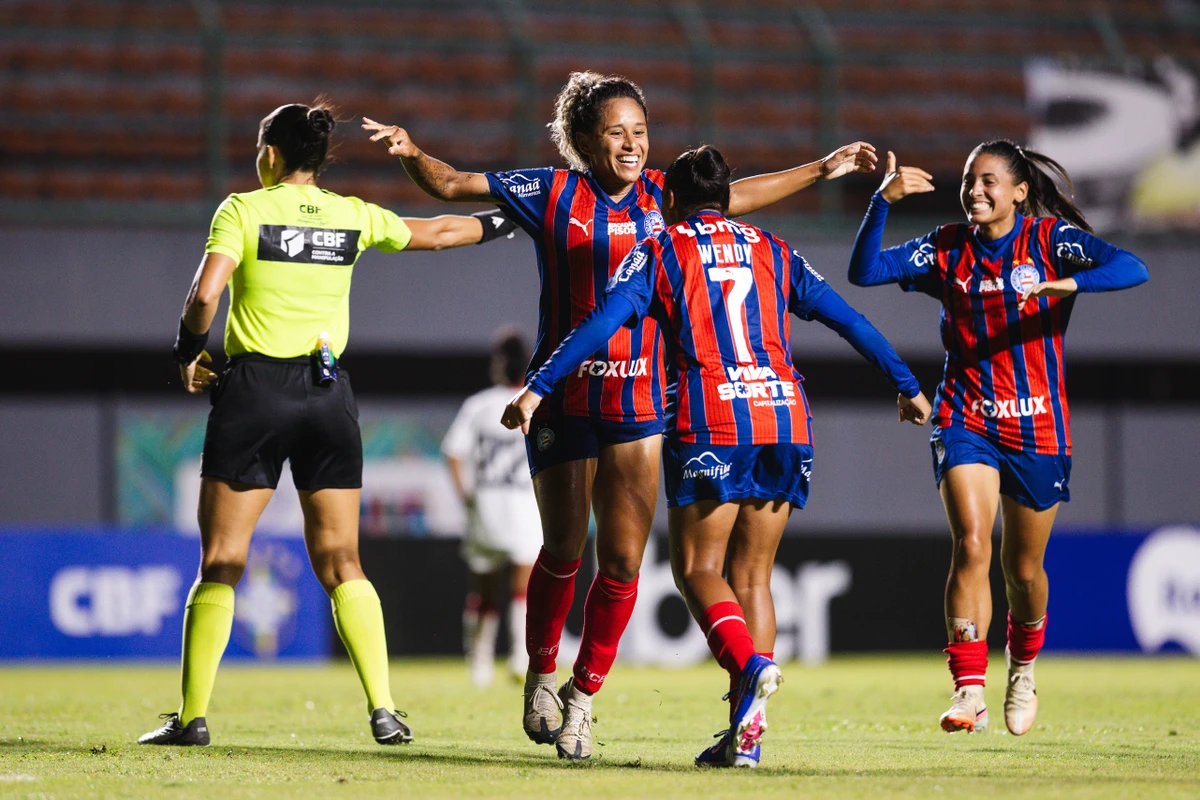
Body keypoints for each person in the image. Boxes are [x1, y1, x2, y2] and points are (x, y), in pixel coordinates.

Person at [363, 71, 879, 759]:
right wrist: (410, 154)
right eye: (617, 132)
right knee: (564, 548)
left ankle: (582, 698)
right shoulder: (553, 192)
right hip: (566, 394)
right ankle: (542, 673)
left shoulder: (669, 194)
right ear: (582, 139)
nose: (633, 144)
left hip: (639, 401)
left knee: (625, 562)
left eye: (640, 130)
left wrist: (821, 168)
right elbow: (454, 186)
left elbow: (740, 196)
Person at [502, 145, 932, 767]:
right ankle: (744, 736)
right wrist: (907, 384)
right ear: (728, 198)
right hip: (786, 416)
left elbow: (601, 322)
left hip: (713, 416)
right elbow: (849, 320)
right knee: (752, 575)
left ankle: (752, 666)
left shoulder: (660, 249)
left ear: (668, 201)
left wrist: (539, 385)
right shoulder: (774, 250)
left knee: (698, 570)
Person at [138, 101, 517, 747]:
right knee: (344, 560)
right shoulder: (349, 214)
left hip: (254, 391)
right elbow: (441, 233)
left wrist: (186, 353)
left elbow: (205, 294)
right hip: (327, 394)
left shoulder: (243, 210)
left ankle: (193, 717)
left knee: (224, 560)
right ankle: (385, 709)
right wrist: (514, 218)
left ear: (274, 154)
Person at [847, 141, 1149, 735]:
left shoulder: (1048, 242)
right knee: (972, 543)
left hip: (1037, 425)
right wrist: (882, 202)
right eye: (968, 180)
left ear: (1018, 192)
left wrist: (1067, 286)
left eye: (989, 182)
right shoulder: (946, 248)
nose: (976, 191)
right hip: (967, 418)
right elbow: (865, 271)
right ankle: (968, 691)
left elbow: (1132, 267)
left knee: (1023, 570)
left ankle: (1024, 669)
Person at [442, 327, 542, 687]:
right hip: (525, 506)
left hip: (485, 505)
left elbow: (452, 451)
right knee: (523, 588)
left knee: (483, 591)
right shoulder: (536, 402)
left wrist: (465, 493)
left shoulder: (479, 405)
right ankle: (520, 656)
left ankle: (479, 663)